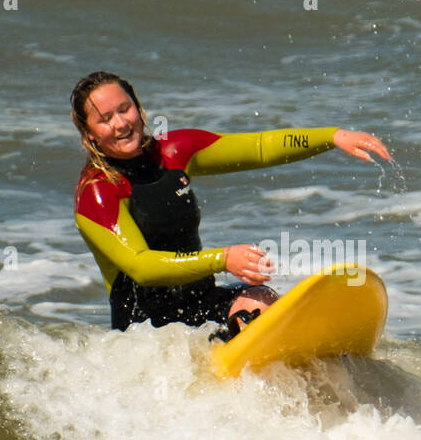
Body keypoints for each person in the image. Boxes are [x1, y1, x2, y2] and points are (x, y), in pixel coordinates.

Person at [71, 71, 391, 332]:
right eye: (106, 119)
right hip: (148, 330)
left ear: (137, 106)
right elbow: (141, 266)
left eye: (124, 109)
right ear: (90, 134)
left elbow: (260, 147)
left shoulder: (173, 152)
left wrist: (332, 136)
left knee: (262, 301)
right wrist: (224, 259)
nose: (121, 124)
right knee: (253, 316)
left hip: (200, 300)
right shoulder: (98, 192)